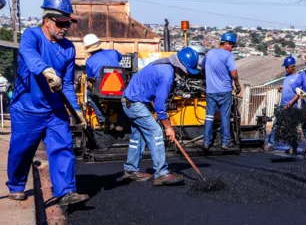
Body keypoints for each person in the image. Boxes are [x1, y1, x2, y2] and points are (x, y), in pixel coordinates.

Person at [6, 0, 89, 205]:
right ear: (47, 21)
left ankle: (65, 191)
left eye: (67, 24)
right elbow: (28, 55)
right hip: (27, 109)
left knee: (63, 146)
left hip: (54, 110)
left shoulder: (68, 48)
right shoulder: (32, 36)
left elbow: (68, 84)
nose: (64, 28)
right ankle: (16, 185)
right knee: (22, 150)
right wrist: (47, 71)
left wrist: (76, 111)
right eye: (61, 24)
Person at [121, 47, 199, 185]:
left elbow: (150, 90)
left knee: (138, 136)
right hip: (134, 103)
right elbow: (160, 105)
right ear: (181, 67)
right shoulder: (167, 75)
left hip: (130, 101)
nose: (186, 74)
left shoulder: (162, 64)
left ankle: (131, 170)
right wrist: (168, 127)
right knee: (156, 132)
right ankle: (161, 173)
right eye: (186, 71)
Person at [202, 32, 241, 150]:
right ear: (226, 44)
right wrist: (237, 84)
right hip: (225, 91)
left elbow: (203, 66)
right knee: (225, 117)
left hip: (211, 92)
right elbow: (233, 72)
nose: (232, 49)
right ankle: (225, 143)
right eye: (232, 46)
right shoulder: (227, 55)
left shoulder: (209, 53)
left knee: (209, 117)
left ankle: (206, 142)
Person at [83, 33, 124, 131]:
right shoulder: (113, 52)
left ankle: (102, 120)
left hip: (103, 90)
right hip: (119, 89)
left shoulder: (89, 61)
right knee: (125, 99)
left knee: (90, 96)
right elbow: (120, 57)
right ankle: (120, 123)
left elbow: (90, 78)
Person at [267, 56, 299, 152]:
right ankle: (271, 144)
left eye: (287, 67)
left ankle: (292, 147)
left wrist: (291, 102)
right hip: (282, 105)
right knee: (277, 124)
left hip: (292, 106)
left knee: (291, 128)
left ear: (292, 66)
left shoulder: (298, 78)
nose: (286, 69)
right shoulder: (286, 77)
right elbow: (288, 88)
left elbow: (299, 93)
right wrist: (281, 88)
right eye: (285, 67)